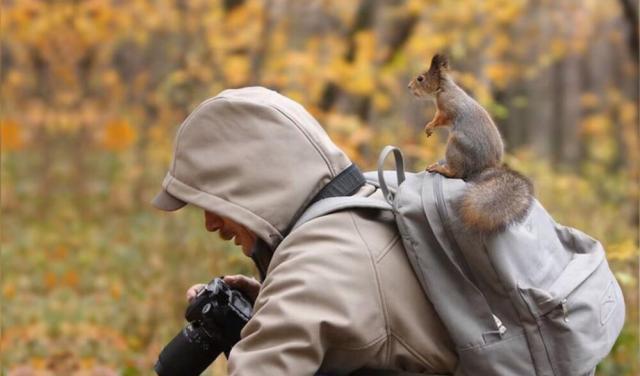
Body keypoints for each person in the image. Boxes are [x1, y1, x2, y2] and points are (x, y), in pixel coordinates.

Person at [151, 86, 457, 375]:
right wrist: (267, 306)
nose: (210, 223)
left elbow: (322, 287)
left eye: (214, 200)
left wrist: (283, 308)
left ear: (251, 184)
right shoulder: (373, 200)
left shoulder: (313, 274)